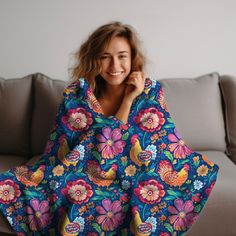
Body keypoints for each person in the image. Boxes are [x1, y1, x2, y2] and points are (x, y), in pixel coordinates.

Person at [0, 21, 219, 235]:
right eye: (105, 57)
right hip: (82, 169)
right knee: (43, 189)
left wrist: (131, 97)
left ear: (132, 58)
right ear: (93, 59)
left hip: (138, 170)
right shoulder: (77, 94)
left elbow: (159, 146)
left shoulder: (150, 91)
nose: (115, 66)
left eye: (122, 56)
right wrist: (125, 104)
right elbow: (73, 150)